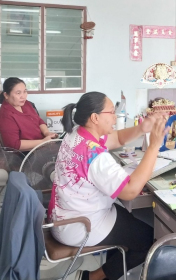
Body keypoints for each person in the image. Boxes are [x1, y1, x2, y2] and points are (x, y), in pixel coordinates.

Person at [47, 92, 169, 280]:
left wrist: (142, 128)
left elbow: (118, 139)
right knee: (148, 240)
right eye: (112, 112)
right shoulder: (95, 156)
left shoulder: (76, 133)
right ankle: (94, 277)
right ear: (95, 118)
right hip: (81, 225)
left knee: (129, 222)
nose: (115, 117)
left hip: (65, 215)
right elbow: (130, 191)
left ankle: (111, 267)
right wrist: (153, 147)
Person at [0, 77, 57, 150]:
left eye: (25, 91)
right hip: (26, 155)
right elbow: (14, 145)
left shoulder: (26, 104)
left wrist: (47, 133)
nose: (23, 96)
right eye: (18, 93)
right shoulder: (6, 115)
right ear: (6, 95)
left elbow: (38, 120)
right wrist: (43, 142)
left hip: (41, 146)